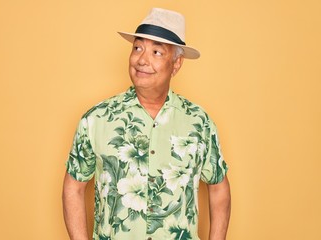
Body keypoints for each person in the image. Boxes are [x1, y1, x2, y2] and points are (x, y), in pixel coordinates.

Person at [62, 8, 231, 240]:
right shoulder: (96, 119)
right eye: (138, 48)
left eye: (157, 52)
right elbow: (74, 186)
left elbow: (219, 188)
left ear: (177, 63)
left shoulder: (199, 122)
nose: (142, 60)